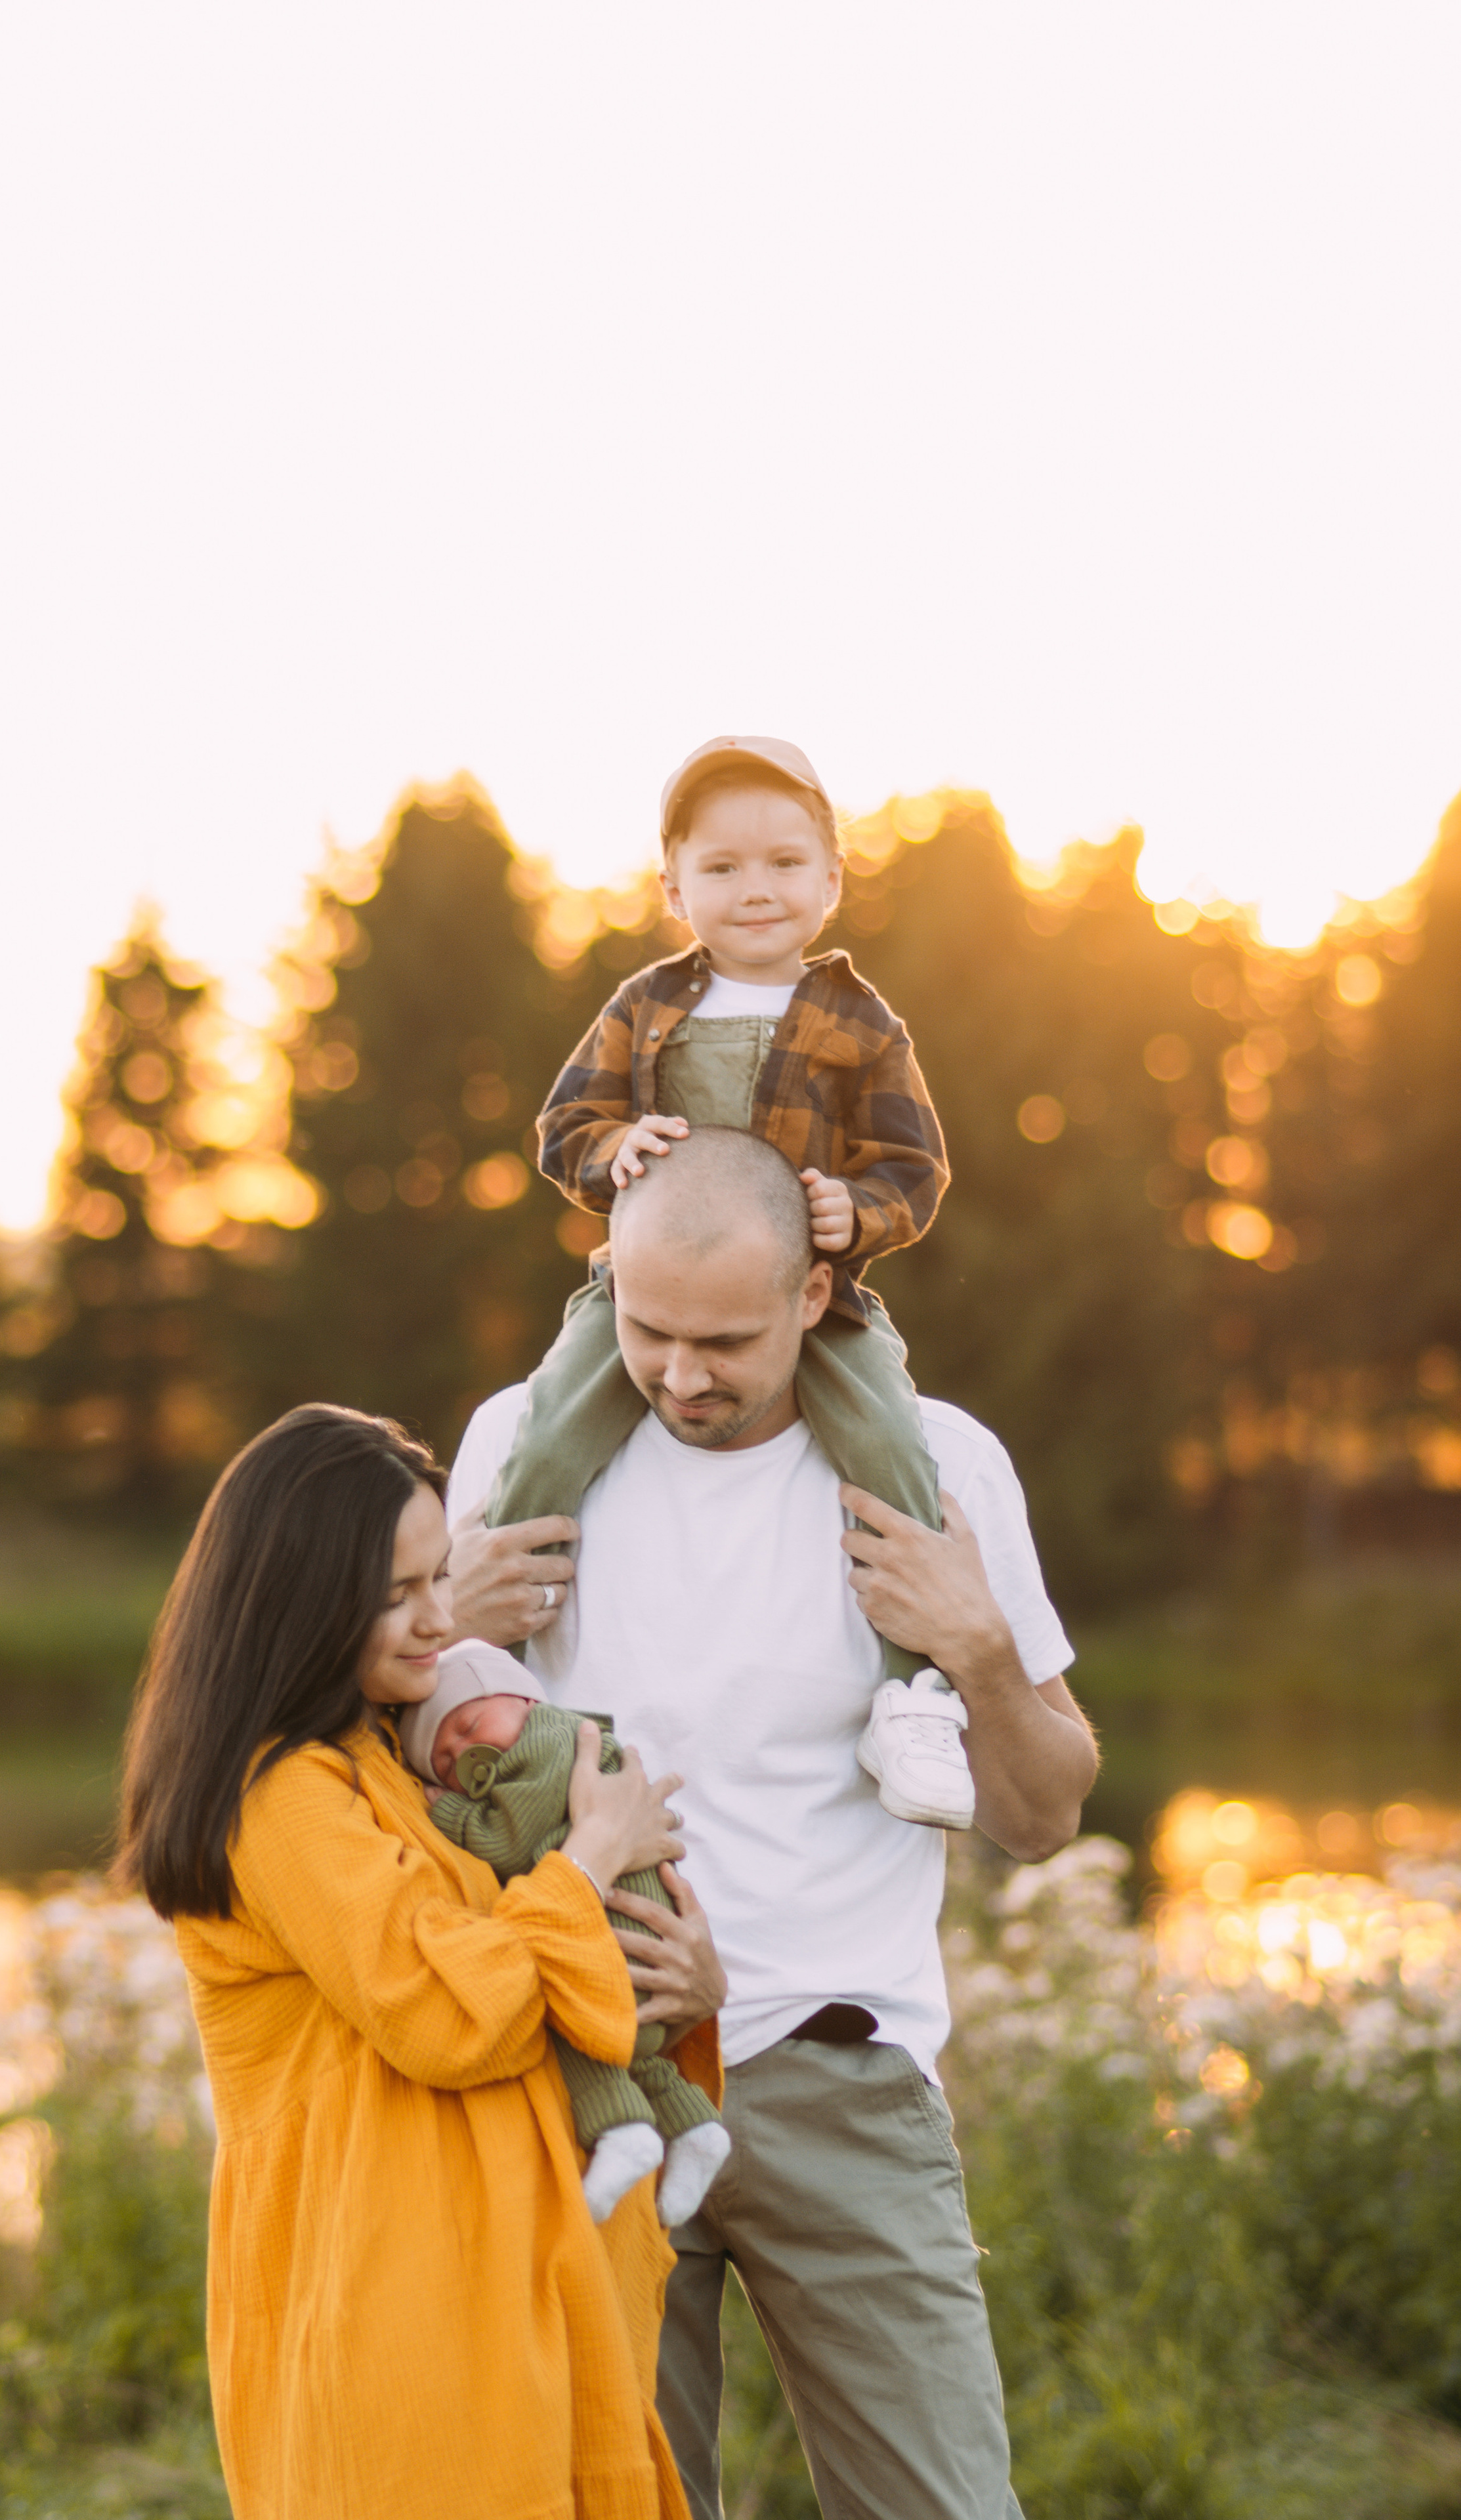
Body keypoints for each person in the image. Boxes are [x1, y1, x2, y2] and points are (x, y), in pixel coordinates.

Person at [447, 1129, 1100, 2520]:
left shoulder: (936, 1467)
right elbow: (424, 1776)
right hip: (590, 2085)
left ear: (814, 1296)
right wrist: (444, 1622)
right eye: (646, 1329)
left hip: (840, 2084)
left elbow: (1043, 1817)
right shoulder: (518, 1451)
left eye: (725, 1339)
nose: (680, 1375)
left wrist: (976, 1648)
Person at [116, 1403, 704, 2520]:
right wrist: (589, 1859)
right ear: (298, 1608)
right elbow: (444, 2011)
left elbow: (526, 1957)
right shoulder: (278, 1799)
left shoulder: (391, 1759)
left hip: (496, 2300)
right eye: (397, 1595)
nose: (439, 1620)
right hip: (396, 2315)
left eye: (441, 1576)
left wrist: (677, 1958)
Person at [486, 733, 975, 1831]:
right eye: (722, 868)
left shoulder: (862, 1022)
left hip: (812, 1302)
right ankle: (495, 1665)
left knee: (891, 1446)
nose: (756, 889)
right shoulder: (642, 1005)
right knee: (551, 1431)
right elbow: (564, 1125)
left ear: (833, 878)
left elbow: (914, 1165)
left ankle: (915, 1696)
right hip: (642, 1295)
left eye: (784, 863)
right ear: (674, 888)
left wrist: (864, 1214)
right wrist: (612, 1151)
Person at [402, 1636, 732, 2226]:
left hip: (621, 1927)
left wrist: (446, 1810)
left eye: (471, 1722)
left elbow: (511, 1840)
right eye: (447, 1763)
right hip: (633, 1936)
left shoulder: (552, 1739)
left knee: (565, 2016)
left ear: (524, 1699)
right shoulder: (537, 1750)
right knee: (634, 2051)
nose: (463, 1749)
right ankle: (695, 2127)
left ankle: (622, 2128)